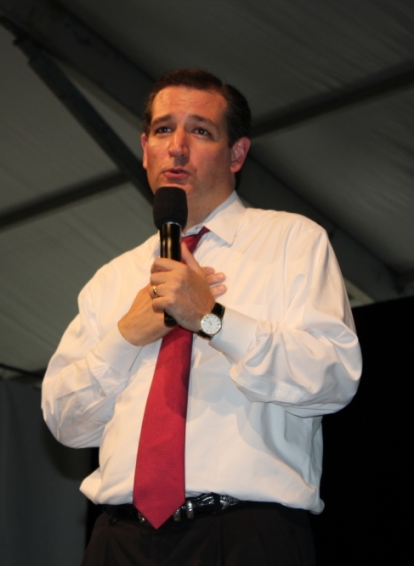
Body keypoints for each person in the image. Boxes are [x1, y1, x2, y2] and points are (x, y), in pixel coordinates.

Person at [42, 68, 362, 565]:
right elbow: (65, 422)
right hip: (119, 540)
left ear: (236, 153)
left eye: (201, 131)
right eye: (165, 130)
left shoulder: (291, 242)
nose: (178, 147)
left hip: (243, 536)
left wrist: (211, 319)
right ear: (145, 146)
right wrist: (126, 337)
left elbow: (333, 377)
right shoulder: (112, 278)